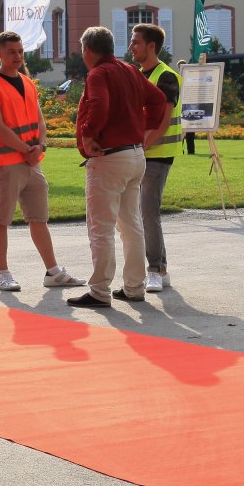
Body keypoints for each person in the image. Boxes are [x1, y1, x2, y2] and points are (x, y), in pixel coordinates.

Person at [67, 26, 168, 309]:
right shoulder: (130, 70)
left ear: (88, 50)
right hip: (135, 154)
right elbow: (158, 99)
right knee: (131, 224)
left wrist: (88, 135)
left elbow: (99, 104)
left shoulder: (99, 73)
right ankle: (134, 287)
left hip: (109, 157)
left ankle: (100, 290)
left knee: (101, 227)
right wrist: (144, 129)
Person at [0, 31, 83, 292]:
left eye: (20, 51)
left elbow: (40, 121)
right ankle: (3, 273)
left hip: (32, 163)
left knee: (39, 218)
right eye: (11, 52)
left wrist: (41, 146)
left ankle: (53, 271)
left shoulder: (27, 83)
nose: (17, 56)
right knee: (1, 218)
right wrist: (27, 149)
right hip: (6, 164)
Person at [128, 23, 180, 293]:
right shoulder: (136, 75)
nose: (131, 47)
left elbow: (162, 122)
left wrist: (140, 147)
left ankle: (155, 270)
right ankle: (162, 269)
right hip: (140, 152)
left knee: (148, 213)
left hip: (158, 154)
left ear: (151, 46)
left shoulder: (166, 77)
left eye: (136, 42)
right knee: (141, 213)